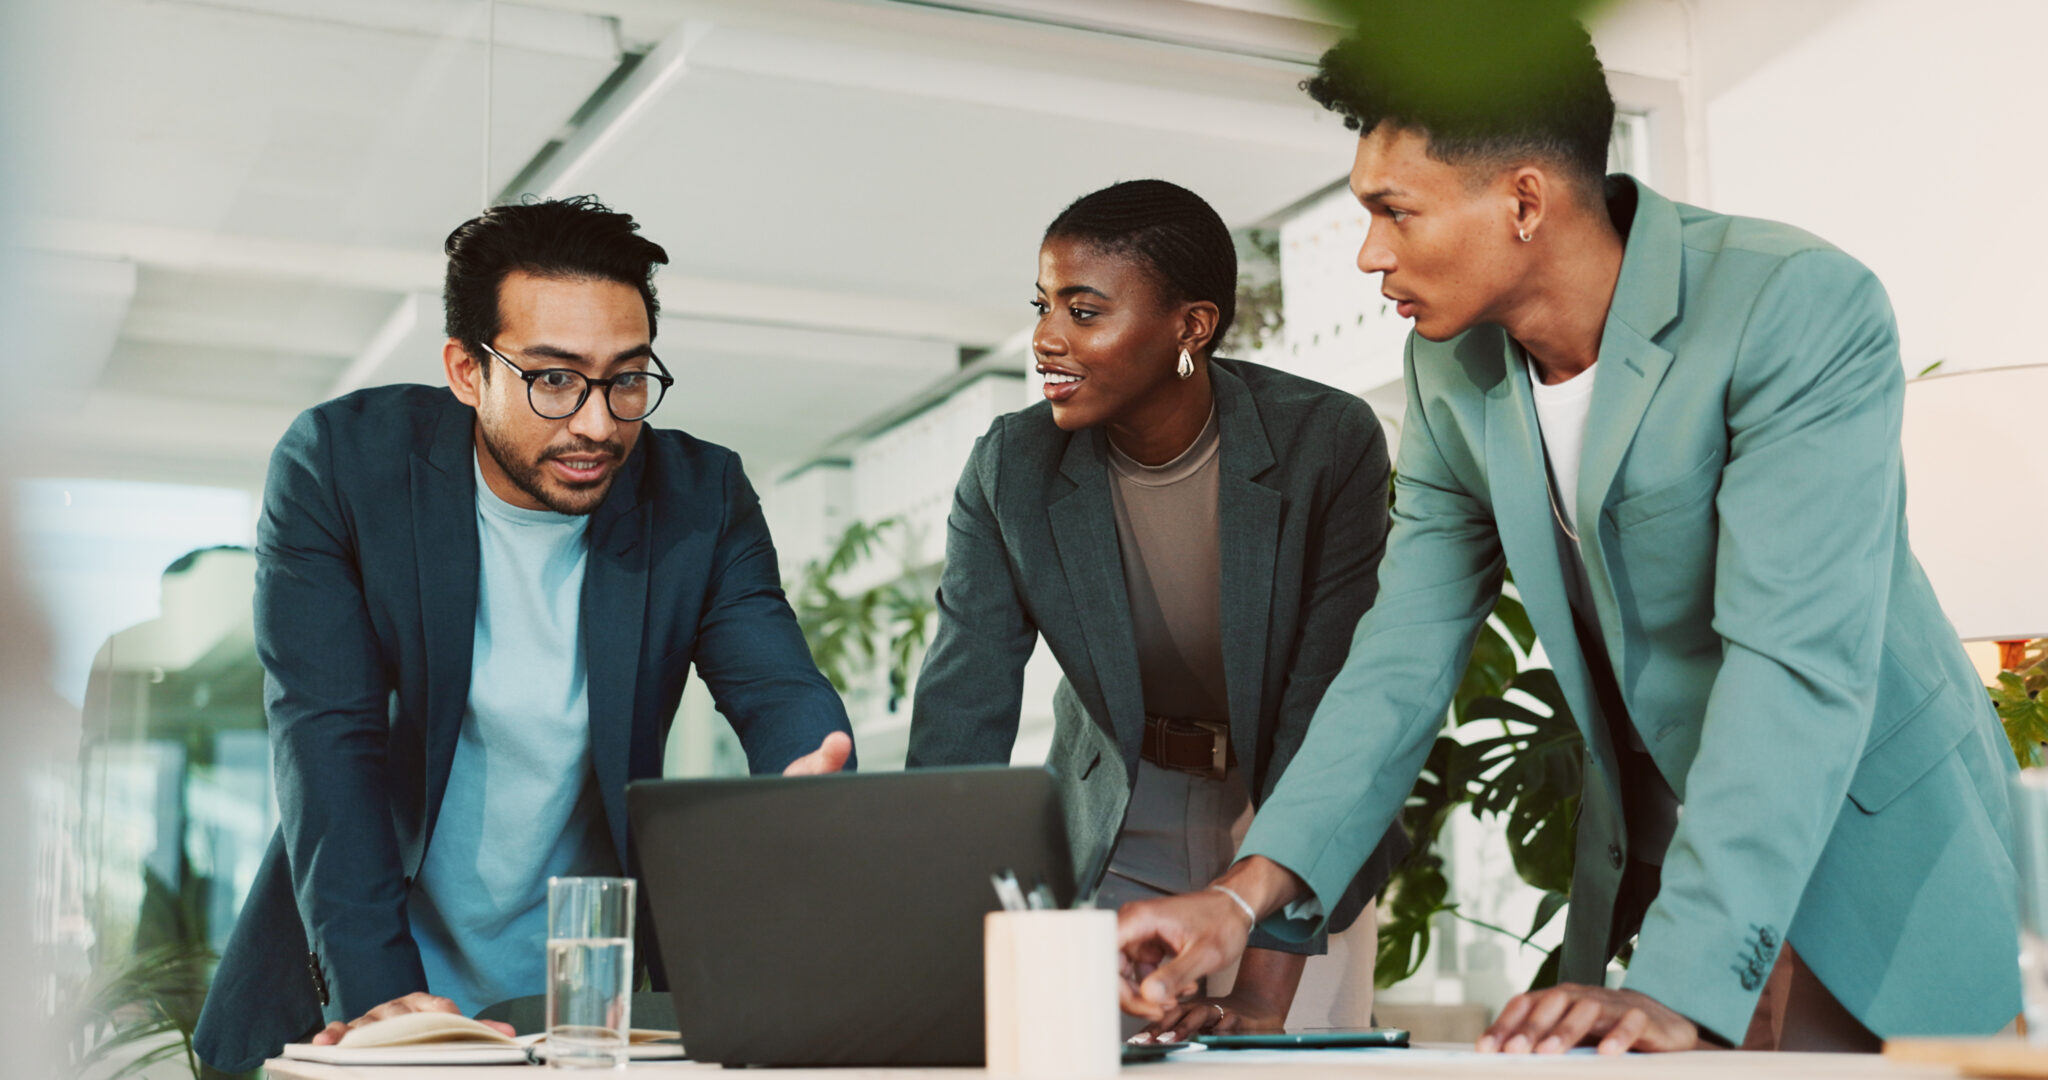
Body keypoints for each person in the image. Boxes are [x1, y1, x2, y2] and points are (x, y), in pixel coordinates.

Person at [1113, 8, 2020, 1055]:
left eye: (1393, 211)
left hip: (1881, 867)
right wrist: (1236, 898)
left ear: (1524, 200)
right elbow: (1396, 663)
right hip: (1683, 875)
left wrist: (1676, 984)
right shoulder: (1451, 376)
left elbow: (1791, 663)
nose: (1369, 254)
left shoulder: (1792, 307)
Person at [193, 196, 854, 1073]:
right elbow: (328, 742)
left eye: (627, 378)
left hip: (576, 1019)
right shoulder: (342, 469)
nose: (597, 422)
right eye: (553, 379)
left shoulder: (700, 498)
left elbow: (776, 687)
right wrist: (380, 999)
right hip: (360, 1002)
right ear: (468, 370)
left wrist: (812, 771)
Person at [907, 179, 1405, 1041]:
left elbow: (1325, 709)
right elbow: (961, 711)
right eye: (1044, 305)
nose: (1045, 340)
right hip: (1119, 812)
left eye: (1084, 311)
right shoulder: (1011, 467)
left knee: (1277, 1058)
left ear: (1191, 326)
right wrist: (926, 949)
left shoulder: (1325, 442)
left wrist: (1262, 990)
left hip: (1286, 806)